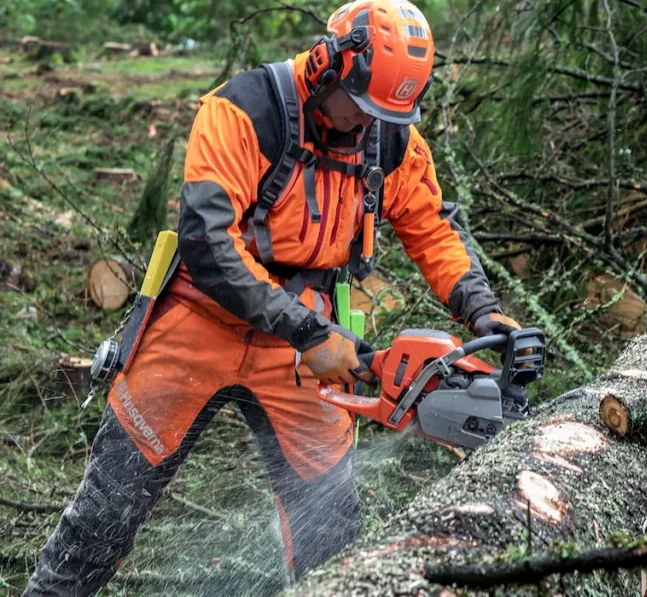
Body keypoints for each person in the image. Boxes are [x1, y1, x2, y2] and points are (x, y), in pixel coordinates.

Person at [24, 1, 522, 594]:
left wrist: (481, 309)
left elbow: (433, 227)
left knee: (331, 532)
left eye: (382, 115)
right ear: (329, 67)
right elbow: (208, 244)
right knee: (103, 513)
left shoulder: (389, 138)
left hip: (303, 341)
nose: (366, 126)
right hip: (198, 322)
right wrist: (311, 334)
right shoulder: (243, 110)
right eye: (360, 108)